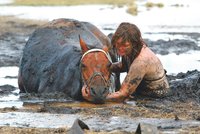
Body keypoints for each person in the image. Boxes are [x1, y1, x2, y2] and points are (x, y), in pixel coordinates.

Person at [106, 22, 171, 102]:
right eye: (118, 44)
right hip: (141, 91)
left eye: (125, 45)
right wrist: (106, 67)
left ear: (134, 43)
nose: (120, 48)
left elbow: (122, 94)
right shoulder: (131, 50)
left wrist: (98, 98)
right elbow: (124, 66)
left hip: (155, 97)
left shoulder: (141, 61)